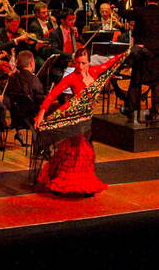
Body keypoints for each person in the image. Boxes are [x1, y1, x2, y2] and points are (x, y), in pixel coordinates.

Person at [33, 46, 127, 196]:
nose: (80, 66)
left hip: (87, 118)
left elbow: (110, 63)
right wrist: (41, 112)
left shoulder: (95, 71)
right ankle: (71, 183)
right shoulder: (71, 78)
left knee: (82, 149)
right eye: (77, 63)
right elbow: (52, 94)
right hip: (76, 118)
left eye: (83, 63)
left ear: (89, 62)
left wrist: (127, 52)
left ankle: (79, 182)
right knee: (80, 149)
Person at [120, 0, 159, 122]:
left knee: (136, 80)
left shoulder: (140, 11)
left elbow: (123, 13)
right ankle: (154, 111)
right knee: (156, 83)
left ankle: (131, 108)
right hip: (158, 54)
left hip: (143, 53)